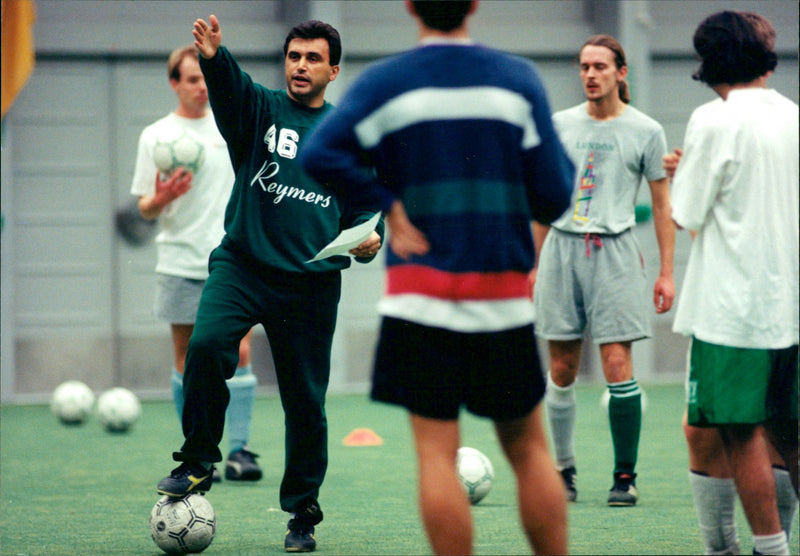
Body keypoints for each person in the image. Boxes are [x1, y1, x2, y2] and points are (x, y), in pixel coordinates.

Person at [301, 2, 573, 553]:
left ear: (409, 5)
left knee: (435, 455)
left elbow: (319, 153)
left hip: (418, 302)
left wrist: (387, 205)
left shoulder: (386, 83)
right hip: (502, 300)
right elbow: (556, 193)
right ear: (473, 3)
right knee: (530, 451)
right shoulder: (517, 81)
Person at [154, 16, 384, 553]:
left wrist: (371, 242)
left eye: (312, 58)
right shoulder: (259, 111)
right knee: (208, 344)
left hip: (310, 285)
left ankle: (302, 513)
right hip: (243, 266)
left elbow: (368, 214)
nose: (300, 66)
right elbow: (229, 87)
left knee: (305, 404)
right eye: (293, 56)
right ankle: (197, 461)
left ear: (333, 69)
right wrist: (213, 58)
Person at [669, 10, 798, 554]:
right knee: (789, 434)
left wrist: (681, 171)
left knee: (739, 433)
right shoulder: (794, 115)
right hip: (789, 304)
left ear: (708, 60)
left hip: (734, 309)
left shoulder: (713, 120)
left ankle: (768, 549)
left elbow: (687, 211)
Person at [531, 34, 675, 506]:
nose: (590, 75)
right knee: (562, 367)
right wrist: (533, 263)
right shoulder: (559, 125)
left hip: (614, 252)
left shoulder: (646, 130)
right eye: (584, 66)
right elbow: (543, 196)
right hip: (561, 249)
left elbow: (660, 202)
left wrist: (666, 271)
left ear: (621, 72)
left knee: (617, 364)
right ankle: (564, 471)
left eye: (600, 66)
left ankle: (625, 476)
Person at [130, 45, 261, 483]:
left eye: (205, 78)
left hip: (230, 259)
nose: (201, 86)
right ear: (174, 83)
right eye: (191, 79)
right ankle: (197, 453)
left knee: (239, 350)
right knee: (187, 356)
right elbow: (145, 209)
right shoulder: (155, 136)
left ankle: (240, 451)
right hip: (178, 259)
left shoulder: (232, 123)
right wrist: (162, 198)